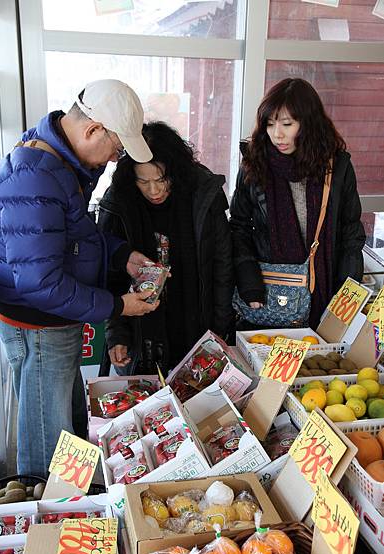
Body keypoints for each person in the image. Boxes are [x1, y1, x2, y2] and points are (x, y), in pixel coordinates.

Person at [0, 79, 160, 477]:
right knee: (49, 449)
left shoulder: (58, 166)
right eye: (115, 149)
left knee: (67, 432)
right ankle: (50, 530)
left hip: (53, 322)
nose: (114, 160)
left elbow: (74, 234)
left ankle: (73, 514)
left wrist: (123, 255)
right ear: (92, 129)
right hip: (39, 327)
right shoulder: (33, 177)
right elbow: (40, 283)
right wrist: (117, 306)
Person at [97, 121, 234, 375]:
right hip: (142, 336)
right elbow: (111, 277)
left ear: (175, 170)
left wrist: (220, 328)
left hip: (196, 323)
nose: (154, 190)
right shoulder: (119, 202)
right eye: (143, 182)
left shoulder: (202, 193)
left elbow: (222, 267)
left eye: (161, 179)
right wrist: (116, 334)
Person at [230, 78, 366, 329]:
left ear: (308, 124)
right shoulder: (254, 163)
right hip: (267, 294)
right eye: (269, 124)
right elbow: (238, 226)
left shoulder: (336, 168)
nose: (276, 134)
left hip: (324, 292)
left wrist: (347, 293)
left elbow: (351, 233)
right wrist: (248, 280)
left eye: (287, 124)